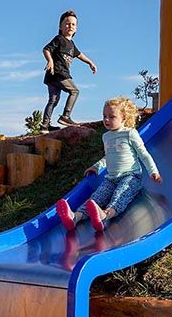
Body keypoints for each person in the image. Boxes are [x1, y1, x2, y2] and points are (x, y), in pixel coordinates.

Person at [56, 97, 162, 231]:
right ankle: (75, 217)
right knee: (95, 198)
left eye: (112, 117)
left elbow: (143, 154)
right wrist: (96, 166)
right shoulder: (106, 136)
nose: (106, 120)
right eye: (104, 116)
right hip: (111, 178)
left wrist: (153, 171)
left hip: (131, 177)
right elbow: (108, 156)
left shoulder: (130, 133)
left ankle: (105, 217)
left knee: (120, 196)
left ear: (123, 118)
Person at [41, 10, 97, 133]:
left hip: (52, 76)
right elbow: (46, 49)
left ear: (76, 28)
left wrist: (90, 62)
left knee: (53, 100)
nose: (70, 26)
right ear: (60, 27)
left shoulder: (71, 44)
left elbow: (79, 54)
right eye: (67, 23)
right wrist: (50, 61)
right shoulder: (59, 39)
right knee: (75, 91)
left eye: (73, 24)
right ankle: (65, 116)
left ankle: (45, 125)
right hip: (59, 73)